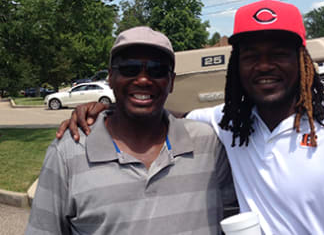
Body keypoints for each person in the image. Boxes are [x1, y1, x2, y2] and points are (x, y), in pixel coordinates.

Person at [56, 1, 324, 235]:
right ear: (236, 67)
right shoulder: (222, 124)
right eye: (251, 55)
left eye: (278, 53)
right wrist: (107, 110)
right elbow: (160, 113)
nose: (264, 66)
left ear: (302, 61)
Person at [26, 26, 235, 235]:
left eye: (157, 70)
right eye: (129, 68)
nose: (143, 80)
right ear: (110, 77)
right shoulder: (68, 152)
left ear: (171, 81)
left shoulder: (207, 143)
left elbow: (233, 220)